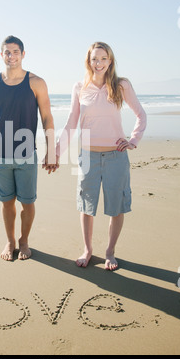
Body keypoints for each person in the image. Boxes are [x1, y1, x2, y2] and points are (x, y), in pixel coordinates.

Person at [55, 42, 147, 270]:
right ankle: (87, 250)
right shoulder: (79, 87)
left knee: (116, 207)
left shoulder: (121, 85)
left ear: (110, 61)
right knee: (86, 206)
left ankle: (110, 252)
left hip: (116, 157)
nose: (98, 63)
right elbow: (70, 124)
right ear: (88, 61)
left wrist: (133, 140)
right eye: (94, 59)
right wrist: (55, 153)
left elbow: (141, 115)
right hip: (88, 157)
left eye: (103, 58)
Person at [0, 35, 57, 261]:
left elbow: (46, 117)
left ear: (23, 54)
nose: (11, 56)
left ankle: (24, 241)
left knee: (28, 202)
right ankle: (10, 241)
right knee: (7, 203)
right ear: (1, 55)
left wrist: (51, 150)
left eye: (15, 52)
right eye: (7, 52)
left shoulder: (36, 82)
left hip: (26, 155)